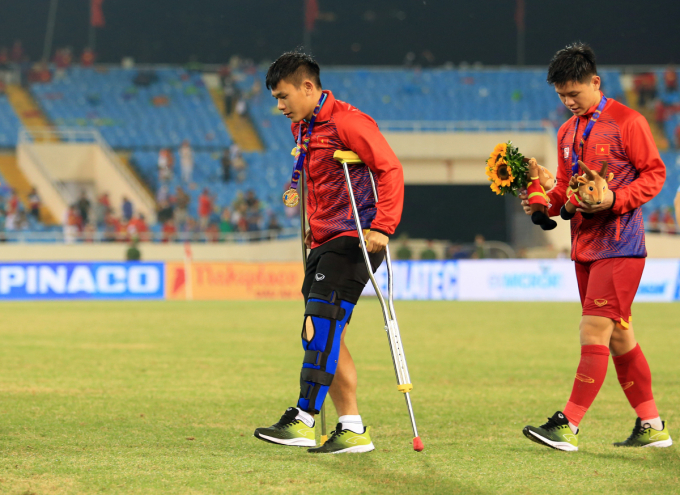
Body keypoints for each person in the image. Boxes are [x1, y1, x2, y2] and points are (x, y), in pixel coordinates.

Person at [520, 43, 671, 452]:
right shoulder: (566, 131)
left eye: (575, 93)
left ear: (596, 83)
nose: (569, 102)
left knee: (593, 329)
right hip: (585, 248)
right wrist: (539, 198)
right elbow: (568, 194)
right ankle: (652, 425)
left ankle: (568, 424)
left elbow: (654, 174)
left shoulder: (628, 121)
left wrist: (614, 200)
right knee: (620, 337)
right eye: (561, 96)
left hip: (621, 246)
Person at [253, 52, 404, 454]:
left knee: (318, 328)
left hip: (354, 239)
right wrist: (310, 225)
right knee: (326, 334)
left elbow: (390, 169)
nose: (279, 106)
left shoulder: (350, 122)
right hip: (322, 240)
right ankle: (352, 428)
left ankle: (303, 418)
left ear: (308, 87)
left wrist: (383, 226)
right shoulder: (302, 128)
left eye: (283, 97)